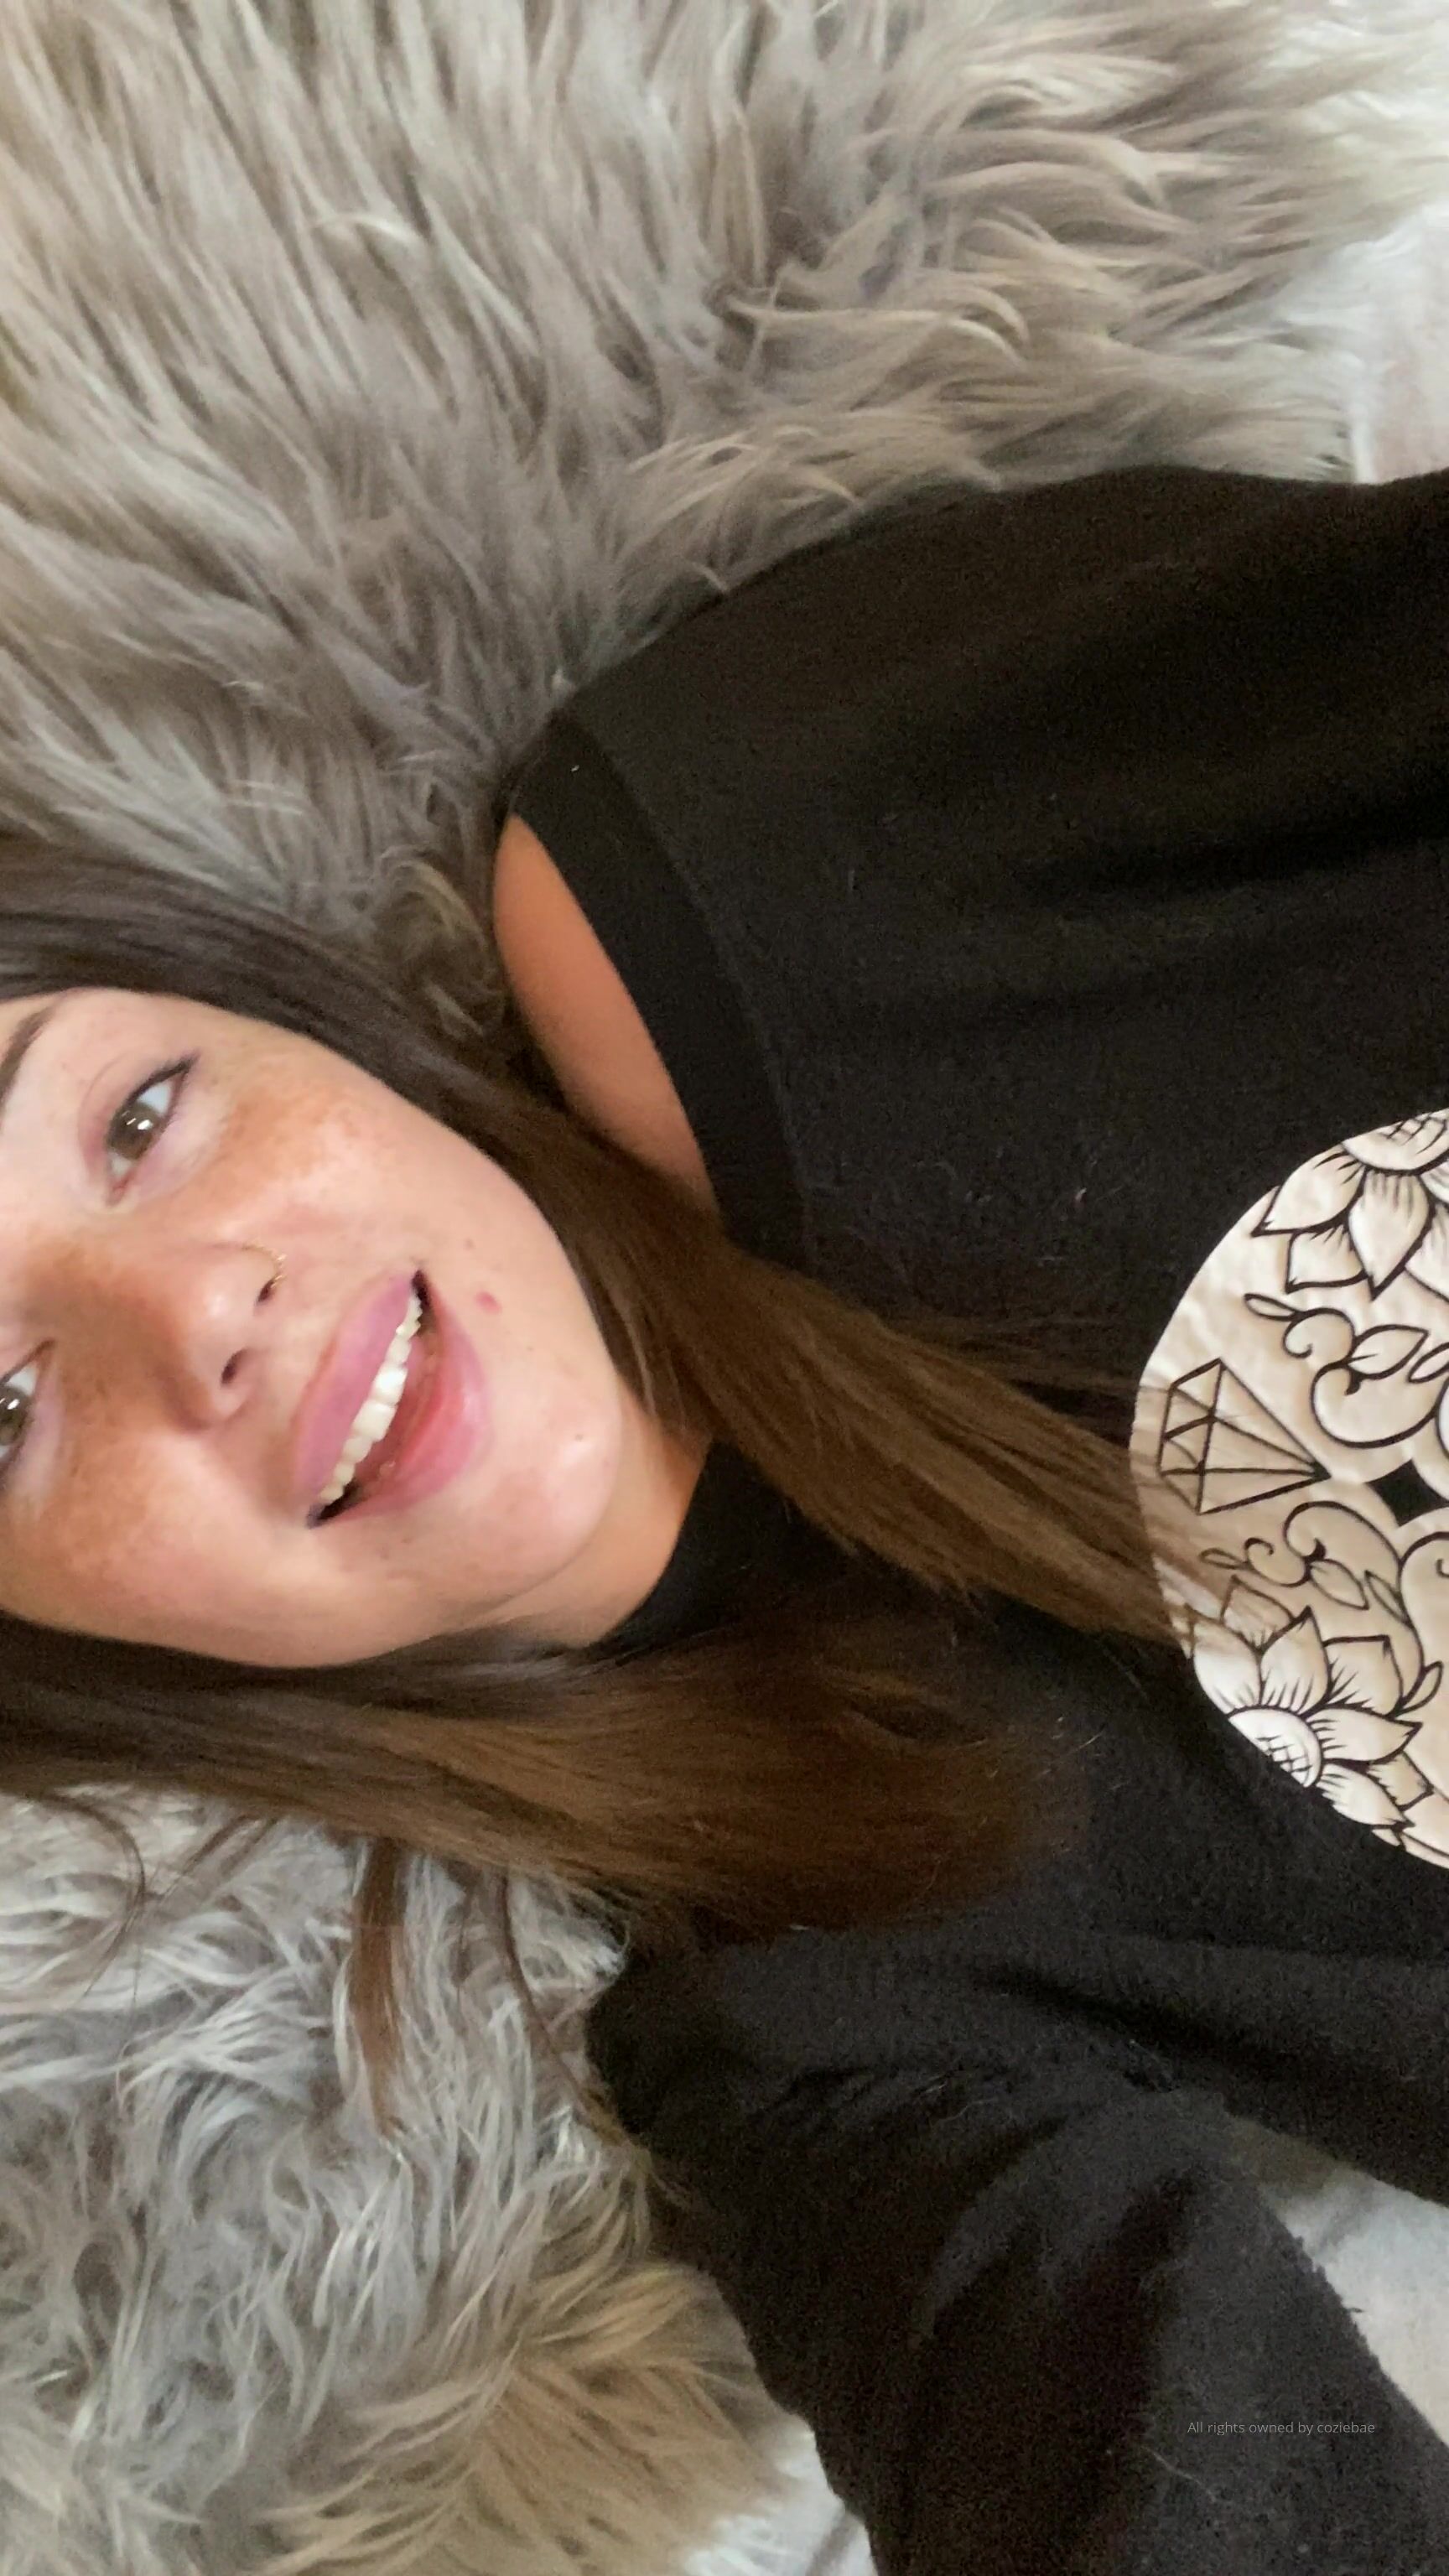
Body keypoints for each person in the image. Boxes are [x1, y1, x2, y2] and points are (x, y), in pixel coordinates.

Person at [1, 461, 1447, 2570]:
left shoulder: (781, 862)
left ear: (286, 1020)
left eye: (139, 1114)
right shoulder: (816, 2036)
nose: (196, 1311)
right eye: (2, 1409)